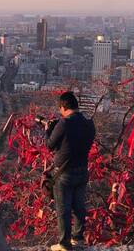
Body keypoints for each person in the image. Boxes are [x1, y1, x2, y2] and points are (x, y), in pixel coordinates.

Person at [45, 92, 96, 251]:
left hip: (64, 174)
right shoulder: (89, 124)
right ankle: (78, 238)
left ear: (63, 107)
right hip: (82, 170)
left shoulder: (64, 123)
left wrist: (48, 129)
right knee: (79, 206)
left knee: (63, 209)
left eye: (60, 109)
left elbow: (50, 145)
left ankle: (64, 244)